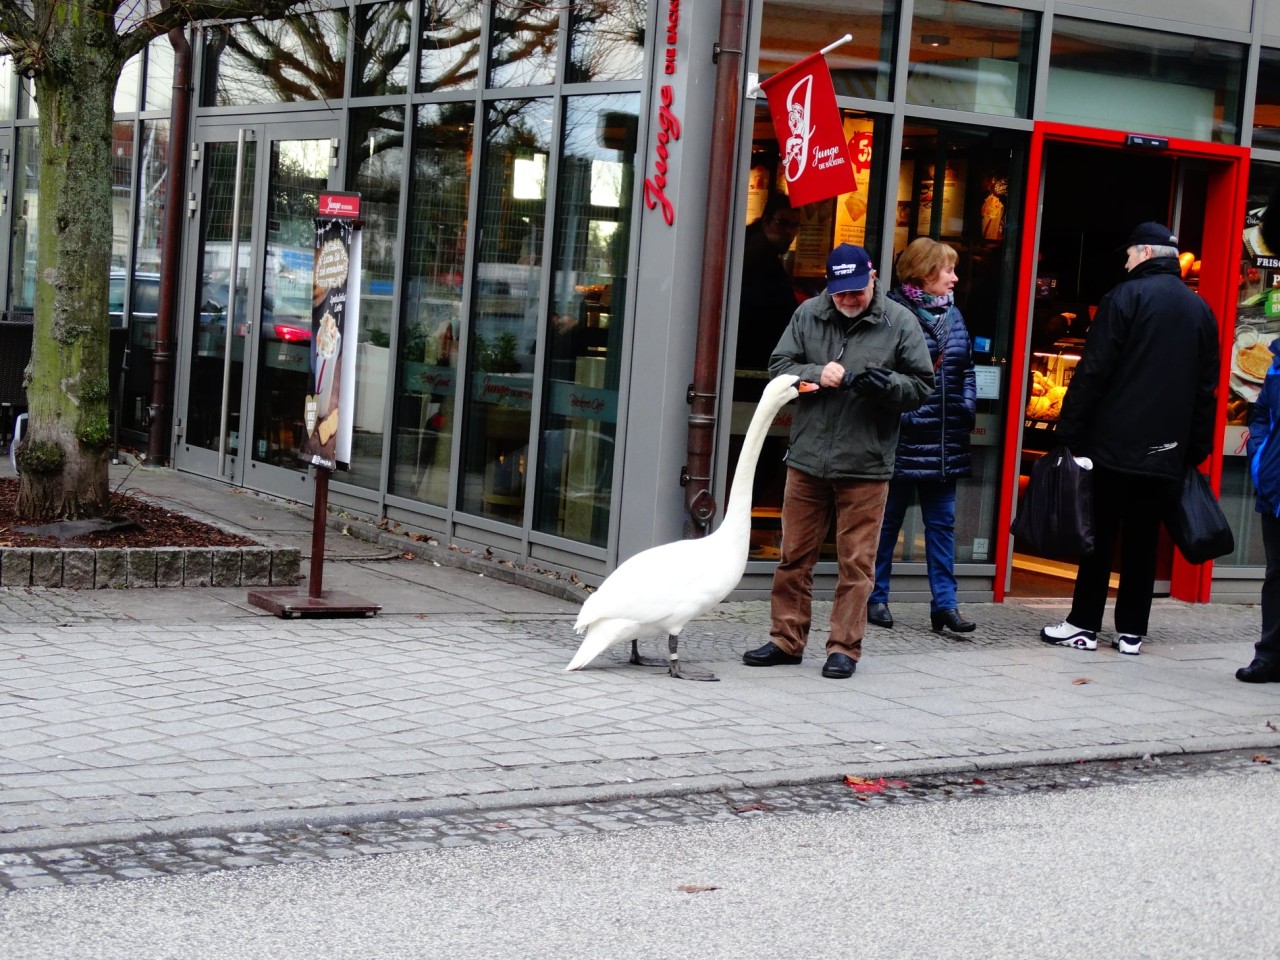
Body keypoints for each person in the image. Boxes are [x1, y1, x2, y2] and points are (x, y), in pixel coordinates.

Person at [743, 244, 934, 679]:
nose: (848, 300)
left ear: (872, 277)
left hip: (866, 463)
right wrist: (814, 373)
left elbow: (922, 386)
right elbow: (778, 365)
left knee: (856, 564)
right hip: (807, 458)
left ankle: (844, 648)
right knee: (794, 557)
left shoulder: (899, 321)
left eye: (856, 291)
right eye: (839, 292)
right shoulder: (808, 313)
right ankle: (785, 641)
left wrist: (887, 387)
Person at [1040, 222, 1219, 655]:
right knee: (1142, 540)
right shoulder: (1201, 310)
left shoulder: (1124, 298)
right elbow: (1206, 388)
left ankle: (1083, 624)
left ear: (1143, 252)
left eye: (1127, 254)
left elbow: (1093, 371)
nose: (1124, 261)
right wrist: (1194, 447)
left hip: (1112, 446)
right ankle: (1132, 632)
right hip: (1166, 452)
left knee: (1098, 536)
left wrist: (1069, 433)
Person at [868, 238, 977, 635]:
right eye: (948, 270)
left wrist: (965, 408)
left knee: (943, 525)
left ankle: (945, 606)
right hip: (905, 437)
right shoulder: (894, 315)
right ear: (925, 273)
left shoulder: (955, 315)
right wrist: (910, 412)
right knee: (887, 523)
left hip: (946, 440)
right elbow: (880, 372)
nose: (954, 277)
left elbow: (966, 370)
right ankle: (875, 597)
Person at [1239, 338, 1280, 682]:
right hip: (1277, 485)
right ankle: (1269, 657)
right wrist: (1260, 458)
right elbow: (1262, 413)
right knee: (1277, 575)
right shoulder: (1278, 362)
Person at [736, 194, 802, 374]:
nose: (788, 232)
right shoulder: (758, 256)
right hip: (752, 358)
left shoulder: (752, 246)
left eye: (794, 225)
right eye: (782, 223)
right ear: (766, 222)